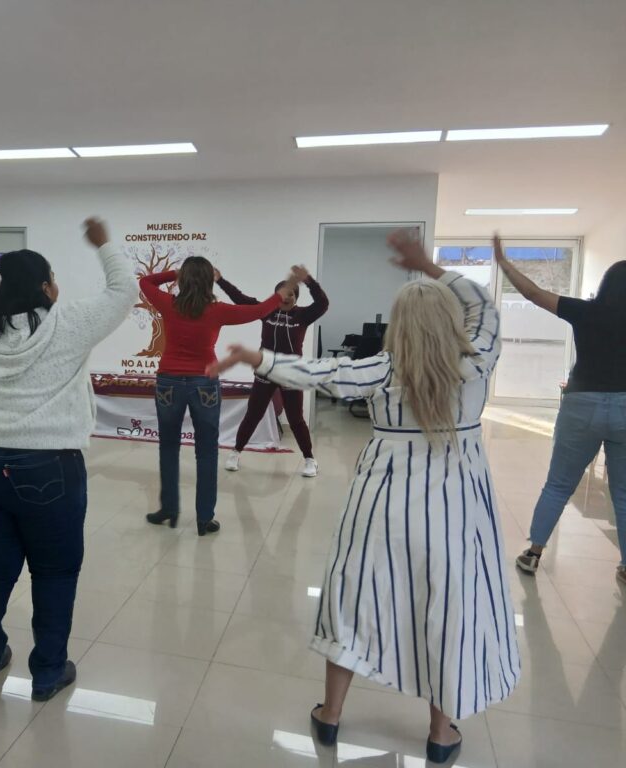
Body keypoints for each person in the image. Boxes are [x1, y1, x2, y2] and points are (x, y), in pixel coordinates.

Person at [208, 231, 520, 764]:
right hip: (457, 506)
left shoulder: (381, 369)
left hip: (381, 501)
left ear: (398, 328)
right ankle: (440, 733)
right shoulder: (476, 362)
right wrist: (431, 267)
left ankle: (330, 715)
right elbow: (484, 308)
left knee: (354, 595)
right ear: (450, 323)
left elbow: (321, 373)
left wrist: (256, 358)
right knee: (449, 604)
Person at [0, 217, 135, 701]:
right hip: (47, 466)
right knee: (54, 572)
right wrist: (104, 244)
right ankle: (47, 672)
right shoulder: (68, 323)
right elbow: (124, 290)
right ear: (47, 286)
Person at [496, 246, 626, 583]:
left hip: (582, 403)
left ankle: (533, 553)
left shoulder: (585, 311)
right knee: (624, 493)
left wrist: (504, 263)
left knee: (558, 484)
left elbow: (533, 293)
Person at [140, 259, 288, 535]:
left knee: (168, 447)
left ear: (183, 279)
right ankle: (204, 518)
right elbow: (258, 311)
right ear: (209, 281)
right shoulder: (217, 310)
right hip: (204, 383)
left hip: (169, 381)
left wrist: (175, 272)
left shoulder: (168, 304)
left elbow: (145, 281)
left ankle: (169, 509)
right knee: (206, 451)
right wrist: (280, 295)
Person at [215, 265, 329, 476]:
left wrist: (309, 281)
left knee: (296, 419)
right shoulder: (266, 311)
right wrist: (220, 280)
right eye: (283, 294)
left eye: (292, 295)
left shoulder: (303, 315)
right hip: (265, 371)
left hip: (291, 374)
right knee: (253, 415)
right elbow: (240, 299)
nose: (287, 298)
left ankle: (310, 459)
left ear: (296, 298)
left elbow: (323, 304)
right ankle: (235, 453)